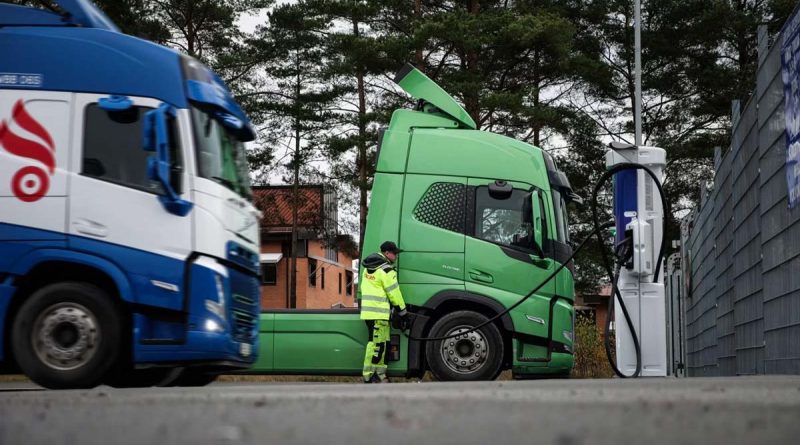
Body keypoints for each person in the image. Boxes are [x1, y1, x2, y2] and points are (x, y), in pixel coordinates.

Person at [359, 240, 409, 383]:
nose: (397, 256)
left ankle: (380, 375)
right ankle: (369, 376)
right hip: (379, 313)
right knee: (376, 345)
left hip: (370, 313)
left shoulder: (368, 268)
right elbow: (394, 293)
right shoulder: (386, 270)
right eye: (395, 253)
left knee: (382, 344)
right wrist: (403, 312)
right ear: (387, 253)